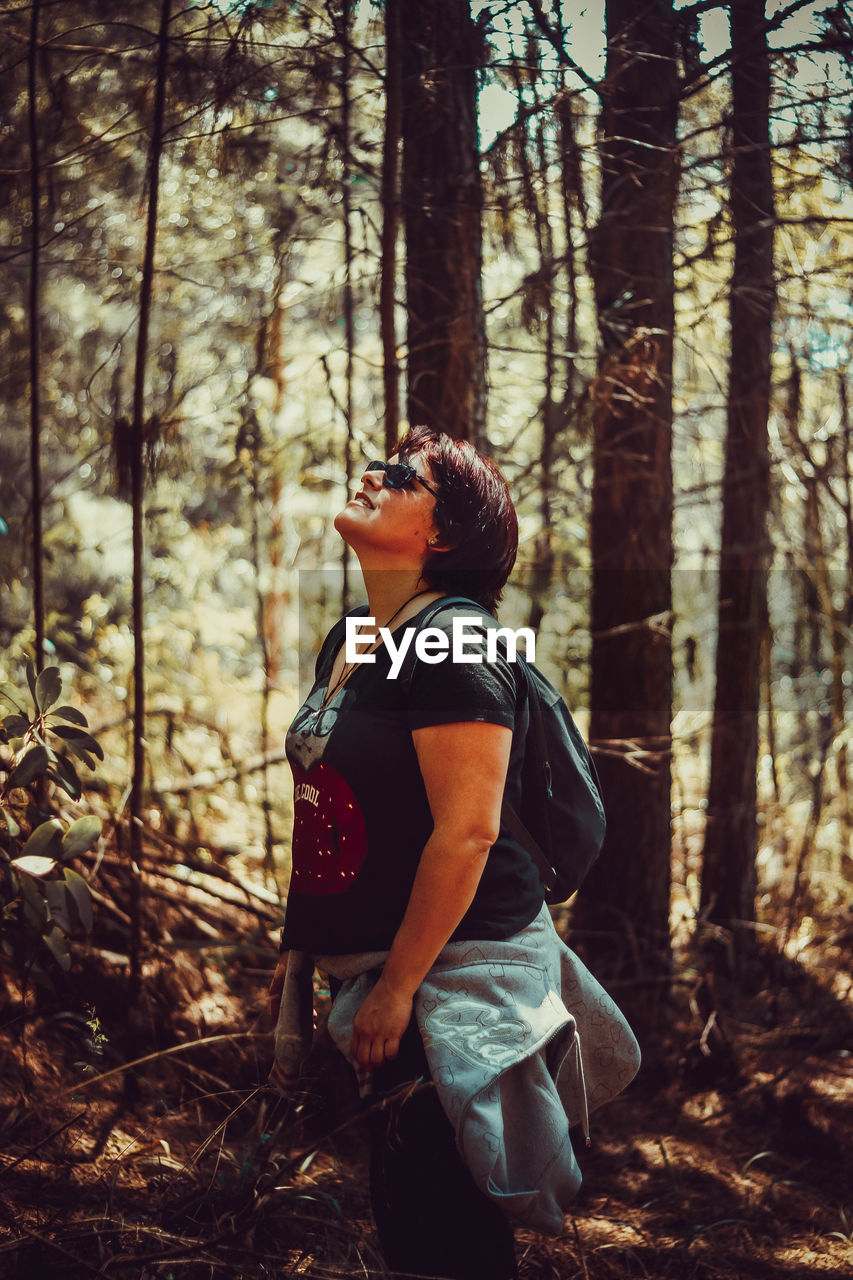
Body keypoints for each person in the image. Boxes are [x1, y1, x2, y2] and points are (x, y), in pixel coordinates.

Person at [267, 426, 640, 1279]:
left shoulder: (457, 643)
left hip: (454, 975)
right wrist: (303, 946)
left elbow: (467, 831)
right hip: (379, 970)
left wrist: (397, 989)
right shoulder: (352, 638)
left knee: (445, 1234)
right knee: (406, 1215)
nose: (369, 475)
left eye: (400, 476)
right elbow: (330, 802)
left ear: (443, 537)